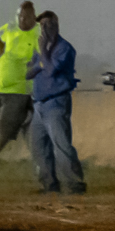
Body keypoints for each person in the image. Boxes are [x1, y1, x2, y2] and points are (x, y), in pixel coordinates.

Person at [26, 10, 85, 194]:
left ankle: (75, 184)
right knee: (38, 147)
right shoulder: (39, 48)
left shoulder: (65, 48)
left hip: (56, 102)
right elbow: (28, 72)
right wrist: (41, 62)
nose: (43, 29)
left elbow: (51, 70)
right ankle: (49, 185)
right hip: (39, 104)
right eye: (41, 25)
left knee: (61, 145)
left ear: (56, 25)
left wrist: (43, 56)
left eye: (47, 25)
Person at [0, 1, 39, 162]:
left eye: (26, 17)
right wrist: (3, 56)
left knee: (6, 124)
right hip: (0, 85)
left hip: (19, 89)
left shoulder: (38, 35)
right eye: (20, 16)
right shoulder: (10, 28)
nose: (23, 20)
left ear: (34, 17)